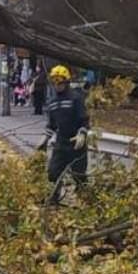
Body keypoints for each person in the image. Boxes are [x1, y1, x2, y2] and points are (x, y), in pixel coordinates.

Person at [40, 64, 89, 192]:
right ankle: (54, 198)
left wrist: (82, 134)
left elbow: (84, 119)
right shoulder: (52, 102)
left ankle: (85, 197)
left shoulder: (76, 98)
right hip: (61, 143)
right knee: (53, 173)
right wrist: (45, 138)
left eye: (60, 82)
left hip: (76, 143)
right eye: (55, 83)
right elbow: (52, 124)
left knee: (79, 176)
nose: (57, 85)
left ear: (66, 82)